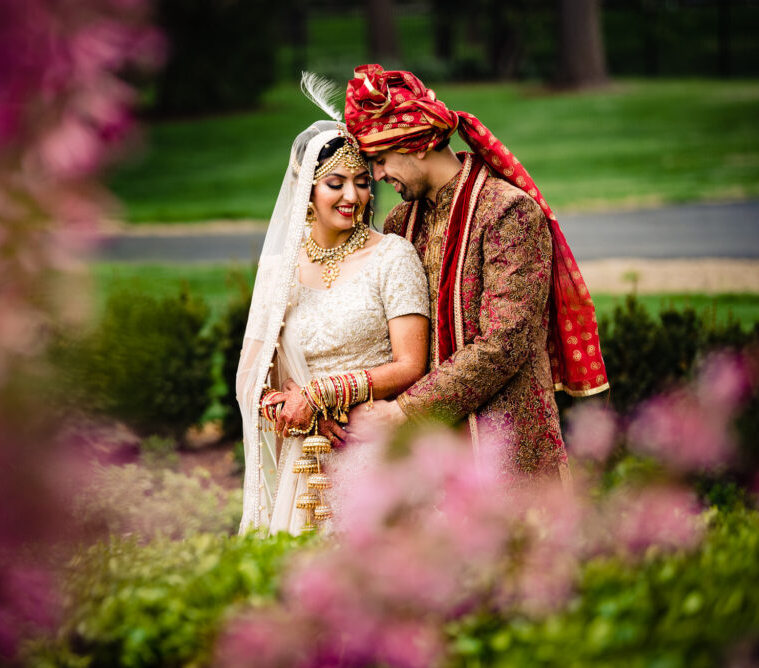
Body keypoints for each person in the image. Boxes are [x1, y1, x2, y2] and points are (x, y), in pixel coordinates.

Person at [341, 64, 610, 486]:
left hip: (507, 458)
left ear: (414, 144)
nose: (375, 177)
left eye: (379, 160)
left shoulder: (508, 212)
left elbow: (505, 343)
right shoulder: (398, 225)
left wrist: (404, 411)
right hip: (423, 466)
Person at [236, 111, 430, 535]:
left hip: (374, 447)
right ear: (306, 189)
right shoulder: (278, 270)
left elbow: (411, 363)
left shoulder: (392, 257)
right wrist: (305, 414)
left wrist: (323, 393)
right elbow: (252, 382)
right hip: (306, 460)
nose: (353, 196)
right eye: (335, 182)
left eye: (362, 181)